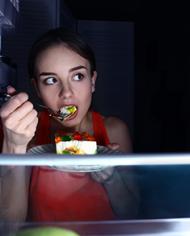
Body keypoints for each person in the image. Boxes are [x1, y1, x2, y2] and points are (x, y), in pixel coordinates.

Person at [0, 27, 139, 222]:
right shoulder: (24, 132)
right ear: (37, 89)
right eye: (50, 80)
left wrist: (111, 178)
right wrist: (14, 145)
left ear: (92, 81)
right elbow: (8, 226)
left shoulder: (114, 130)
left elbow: (131, 211)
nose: (66, 93)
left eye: (78, 76)